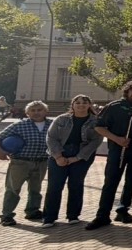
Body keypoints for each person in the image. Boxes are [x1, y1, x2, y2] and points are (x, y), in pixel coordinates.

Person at [87, 80, 132, 229]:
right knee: (110, 182)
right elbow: (99, 127)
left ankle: (123, 209)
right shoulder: (114, 106)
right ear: (127, 91)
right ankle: (102, 215)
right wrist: (117, 139)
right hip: (117, 151)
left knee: (131, 182)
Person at [41, 95, 102, 227]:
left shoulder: (95, 121)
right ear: (72, 105)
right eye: (78, 103)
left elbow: (95, 141)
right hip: (60, 153)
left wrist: (77, 158)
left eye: (85, 103)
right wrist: (58, 156)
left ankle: (73, 215)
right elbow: (51, 138)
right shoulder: (61, 119)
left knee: (76, 184)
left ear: (89, 105)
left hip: (81, 156)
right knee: (55, 186)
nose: (81, 105)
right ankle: (49, 217)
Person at [0, 100, 52, 226]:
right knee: (13, 189)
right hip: (21, 162)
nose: (36, 112)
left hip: (42, 162)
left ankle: (32, 211)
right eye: (33, 110)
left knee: (36, 189)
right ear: (27, 113)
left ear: (46, 111)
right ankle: (7, 215)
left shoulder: (52, 125)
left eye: (39, 109)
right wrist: (0, 151)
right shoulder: (19, 125)